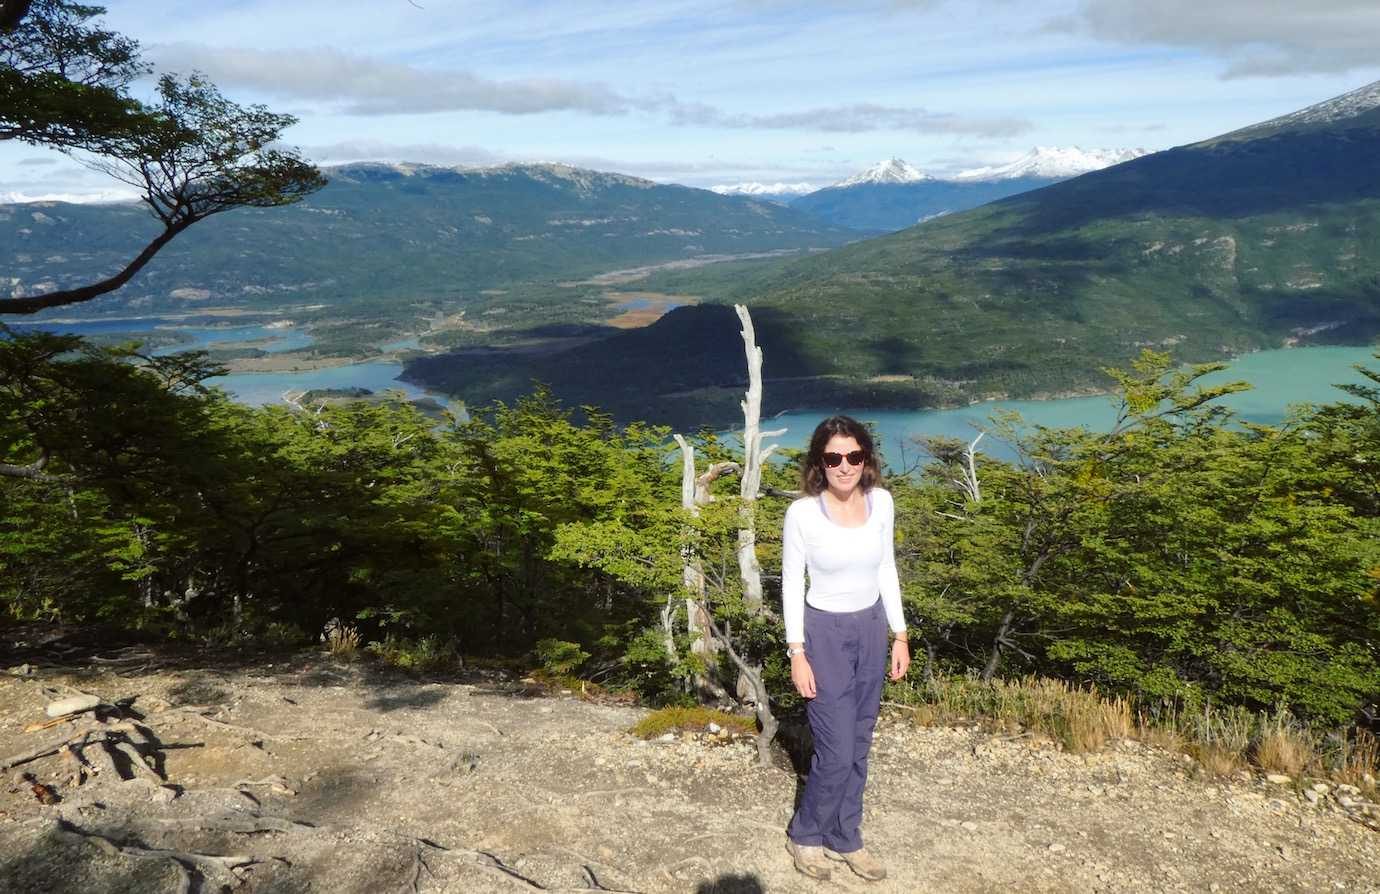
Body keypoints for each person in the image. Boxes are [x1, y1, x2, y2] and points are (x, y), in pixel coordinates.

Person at [782, 415, 909, 882]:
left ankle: (846, 835)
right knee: (835, 748)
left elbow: (887, 569)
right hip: (824, 633)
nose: (844, 465)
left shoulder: (882, 503)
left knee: (859, 741)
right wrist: (796, 651)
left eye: (853, 455)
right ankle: (807, 834)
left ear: (866, 458)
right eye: (833, 457)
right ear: (820, 461)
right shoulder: (803, 514)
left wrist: (900, 634)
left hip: (873, 627)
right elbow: (792, 583)